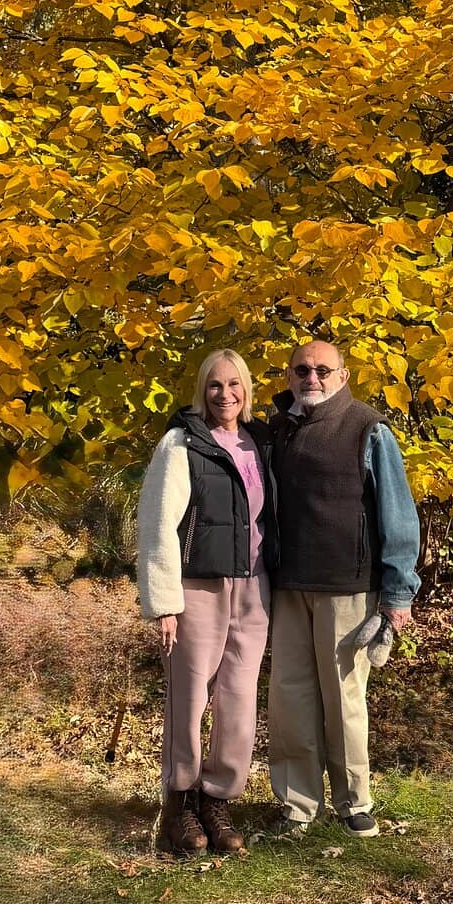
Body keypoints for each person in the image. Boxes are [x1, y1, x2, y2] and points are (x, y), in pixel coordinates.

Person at [268, 339, 421, 838]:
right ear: (289, 376)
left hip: (348, 587)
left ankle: (354, 800)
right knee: (291, 698)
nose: (311, 378)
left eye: (322, 370)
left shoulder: (368, 430)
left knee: (343, 698)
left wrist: (399, 593)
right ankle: (296, 804)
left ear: (344, 374)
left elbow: (398, 516)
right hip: (288, 585)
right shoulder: (277, 429)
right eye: (301, 370)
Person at [136, 348, 272, 854]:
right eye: (215, 385)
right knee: (189, 697)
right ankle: (180, 804)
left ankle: (219, 798)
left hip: (253, 588)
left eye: (234, 384)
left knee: (238, 700)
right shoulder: (180, 443)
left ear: (247, 389)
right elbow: (156, 526)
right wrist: (165, 601)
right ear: (202, 390)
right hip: (198, 587)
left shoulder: (258, 442)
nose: (225, 394)